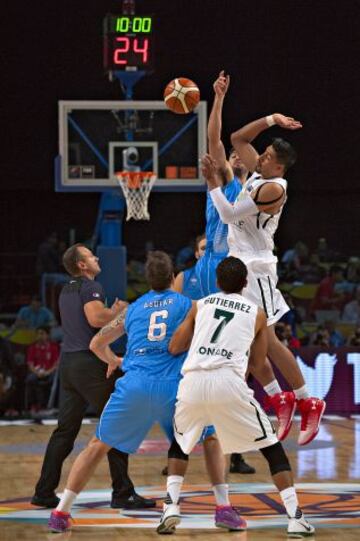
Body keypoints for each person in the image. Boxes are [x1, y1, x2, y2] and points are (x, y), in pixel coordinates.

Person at [48, 251, 221, 533]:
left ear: (146, 280)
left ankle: (60, 511)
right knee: (210, 440)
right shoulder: (191, 305)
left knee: (96, 446)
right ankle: (220, 507)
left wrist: (114, 361)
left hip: (134, 384)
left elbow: (95, 344)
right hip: (173, 385)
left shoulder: (132, 309)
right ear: (171, 276)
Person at [161, 257, 314, 537]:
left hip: (192, 380)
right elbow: (257, 364)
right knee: (271, 447)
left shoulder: (200, 304)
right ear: (245, 283)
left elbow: (175, 346)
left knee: (181, 443)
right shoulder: (257, 313)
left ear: (217, 283)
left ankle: (170, 506)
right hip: (228, 381)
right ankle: (295, 517)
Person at [204, 108, 326, 445]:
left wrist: (213, 182)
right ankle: (280, 397)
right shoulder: (259, 171)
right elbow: (237, 139)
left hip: (256, 270)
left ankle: (307, 401)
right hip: (240, 265)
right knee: (250, 344)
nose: (261, 158)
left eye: (269, 156)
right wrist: (271, 119)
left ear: (279, 167)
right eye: (265, 152)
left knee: (268, 342)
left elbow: (228, 214)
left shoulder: (275, 188)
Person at [31, 243, 154, 511]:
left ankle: (43, 491)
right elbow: (97, 320)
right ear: (82, 265)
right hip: (88, 366)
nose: (96, 257)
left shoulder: (66, 289)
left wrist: (109, 356)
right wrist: (119, 310)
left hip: (69, 365)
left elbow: (86, 332)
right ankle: (123, 492)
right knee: (117, 423)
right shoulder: (90, 287)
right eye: (90, 255)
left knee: (65, 431)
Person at [25, 326, 59, 413]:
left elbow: (56, 364)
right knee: (30, 379)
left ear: (47, 335)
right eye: (38, 334)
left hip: (49, 372)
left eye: (42, 333)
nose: (39, 336)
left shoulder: (53, 347)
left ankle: (52, 406)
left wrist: (47, 372)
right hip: (36, 373)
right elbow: (30, 364)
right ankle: (33, 405)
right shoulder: (32, 348)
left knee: (55, 379)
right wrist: (36, 373)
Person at [173, 234, 206, 300]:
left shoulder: (223, 278)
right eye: (203, 248)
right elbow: (174, 307)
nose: (207, 251)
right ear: (197, 254)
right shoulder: (182, 277)